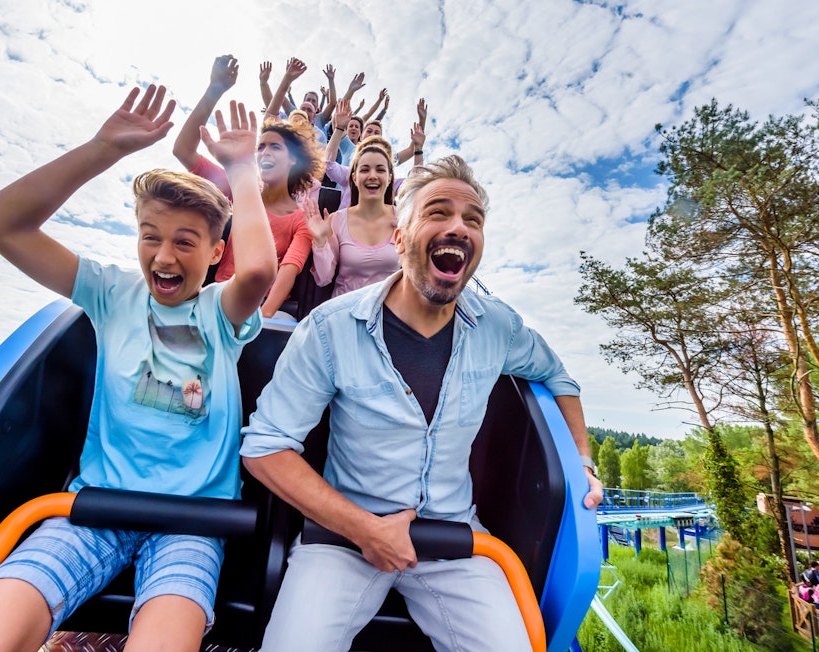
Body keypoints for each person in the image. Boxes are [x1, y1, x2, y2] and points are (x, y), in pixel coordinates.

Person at [0, 89, 278, 652]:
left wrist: (241, 170)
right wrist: (102, 148)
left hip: (192, 523)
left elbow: (260, 271)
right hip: (93, 508)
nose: (164, 257)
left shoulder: (217, 311)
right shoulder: (111, 293)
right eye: (151, 237)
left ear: (216, 253)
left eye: (186, 243)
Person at [240, 155, 605, 651]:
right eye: (438, 212)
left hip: (455, 540)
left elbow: (559, 376)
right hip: (344, 540)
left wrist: (581, 459)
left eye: (472, 220)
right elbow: (265, 448)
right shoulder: (329, 329)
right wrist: (365, 529)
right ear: (399, 238)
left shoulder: (498, 326)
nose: (458, 226)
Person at [175, 55, 324, 319]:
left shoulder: (300, 219)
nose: (265, 152)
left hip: (263, 309)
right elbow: (183, 150)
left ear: (293, 159)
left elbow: (288, 271)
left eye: (275, 147)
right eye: (261, 147)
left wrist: (255, 322)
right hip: (219, 296)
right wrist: (214, 90)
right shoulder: (240, 188)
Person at [307, 138, 399, 297]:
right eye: (364, 170)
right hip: (345, 311)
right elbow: (324, 278)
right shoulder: (336, 220)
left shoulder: (403, 218)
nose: (372, 176)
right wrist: (321, 241)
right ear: (354, 178)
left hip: (389, 313)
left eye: (380, 170)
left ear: (389, 177)